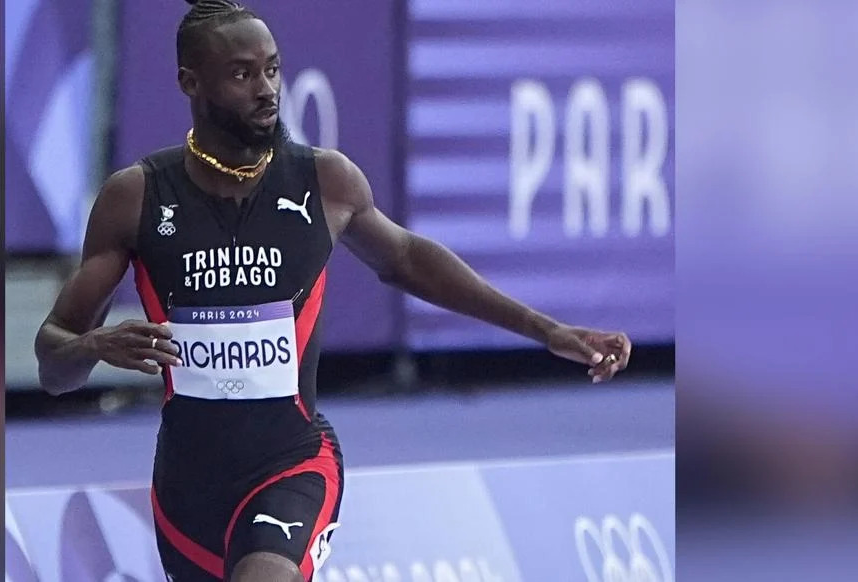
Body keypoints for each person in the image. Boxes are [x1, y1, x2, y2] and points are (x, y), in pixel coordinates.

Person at [34, 1, 631, 580]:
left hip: (293, 463)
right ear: (190, 82)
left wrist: (546, 329)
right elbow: (54, 363)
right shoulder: (136, 196)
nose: (267, 88)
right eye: (242, 74)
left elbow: (407, 258)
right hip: (186, 491)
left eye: (272, 68)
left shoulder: (325, 180)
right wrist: (91, 349)